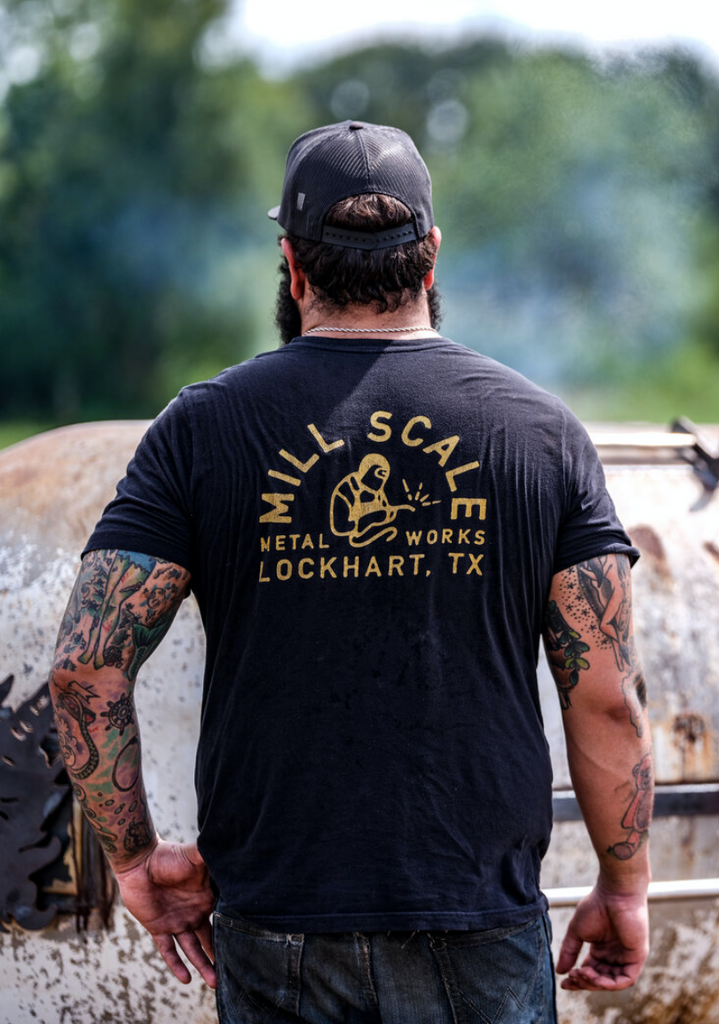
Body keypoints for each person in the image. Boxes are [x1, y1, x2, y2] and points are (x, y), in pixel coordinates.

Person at [49, 120, 652, 1023]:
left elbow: (85, 670)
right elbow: (605, 697)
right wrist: (625, 884)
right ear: (431, 258)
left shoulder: (201, 429)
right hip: (477, 921)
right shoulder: (543, 434)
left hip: (278, 922)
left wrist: (136, 863)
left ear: (292, 264)